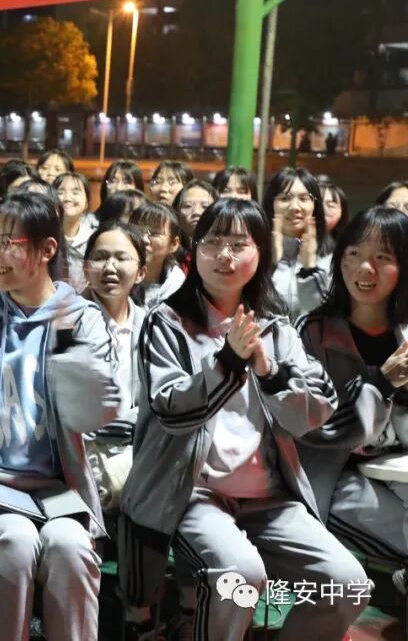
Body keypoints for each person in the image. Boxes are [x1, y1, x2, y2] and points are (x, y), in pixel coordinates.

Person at [121, 198, 367, 641]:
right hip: (191, 493)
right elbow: (169, 408)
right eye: (213, 243)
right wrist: (228, 361)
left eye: (239, 245)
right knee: (239, 576)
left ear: (261, 254)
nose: (225, 256)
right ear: (194, 251)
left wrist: (269, 371)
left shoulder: (276, 328)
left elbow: (317, 410)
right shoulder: (167, 321)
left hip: (268, 496)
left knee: (348, 584)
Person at [0, 192, 121, 641]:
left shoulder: (82, 319)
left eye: (7, 242)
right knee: (14, 540)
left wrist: (67, 345)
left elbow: (94, 414)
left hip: (55, 488)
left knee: (70, 547)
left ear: (47, 249)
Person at [295, 207, 408, 590]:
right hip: (332, 475)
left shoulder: (404, 333)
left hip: (397, 469)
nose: (365, 268)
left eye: (383, 257)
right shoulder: (313, 332)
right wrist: (382, 383)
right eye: (354, 253)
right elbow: (312, 425)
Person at [82, 223, 148, 513]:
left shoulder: (153, 325)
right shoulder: (63, 322)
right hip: (80, 453)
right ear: (86, 269)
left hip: (136, 450)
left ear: (141, 272)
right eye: (100, 257)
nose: (109, 267)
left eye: (121, 258)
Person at [262, 168, 333, 320]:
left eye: (303, 199)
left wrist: (310, 270)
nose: (294, 207)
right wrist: (270, 264)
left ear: (315, 205)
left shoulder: (331, 258)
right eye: (285, 198)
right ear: (271, 203)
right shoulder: (255, 252)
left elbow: (327, 316)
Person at [129, 202, 185, 309]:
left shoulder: (179, 289)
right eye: (138, 230)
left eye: (155, 233)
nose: (144, 239)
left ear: (173, 244)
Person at [52, 171, 97, 292]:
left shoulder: (95, 239)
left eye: (75, 192)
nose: (67, 198)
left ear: (86, 203)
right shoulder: (45, 236)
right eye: (60, 192)